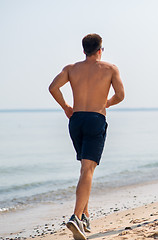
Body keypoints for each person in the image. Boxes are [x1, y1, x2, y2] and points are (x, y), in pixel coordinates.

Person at [49, 33, 125, 240]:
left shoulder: (71, 69)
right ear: (100, 49)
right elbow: (120, 95)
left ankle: (85, 215)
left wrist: (66, 107)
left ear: (84, 50)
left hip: (76, 120)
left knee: (85, 168)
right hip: (95, 119)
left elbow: (53, 88)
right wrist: (106, 103)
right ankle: (75, 217)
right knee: (87, 168)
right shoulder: (110, 69)